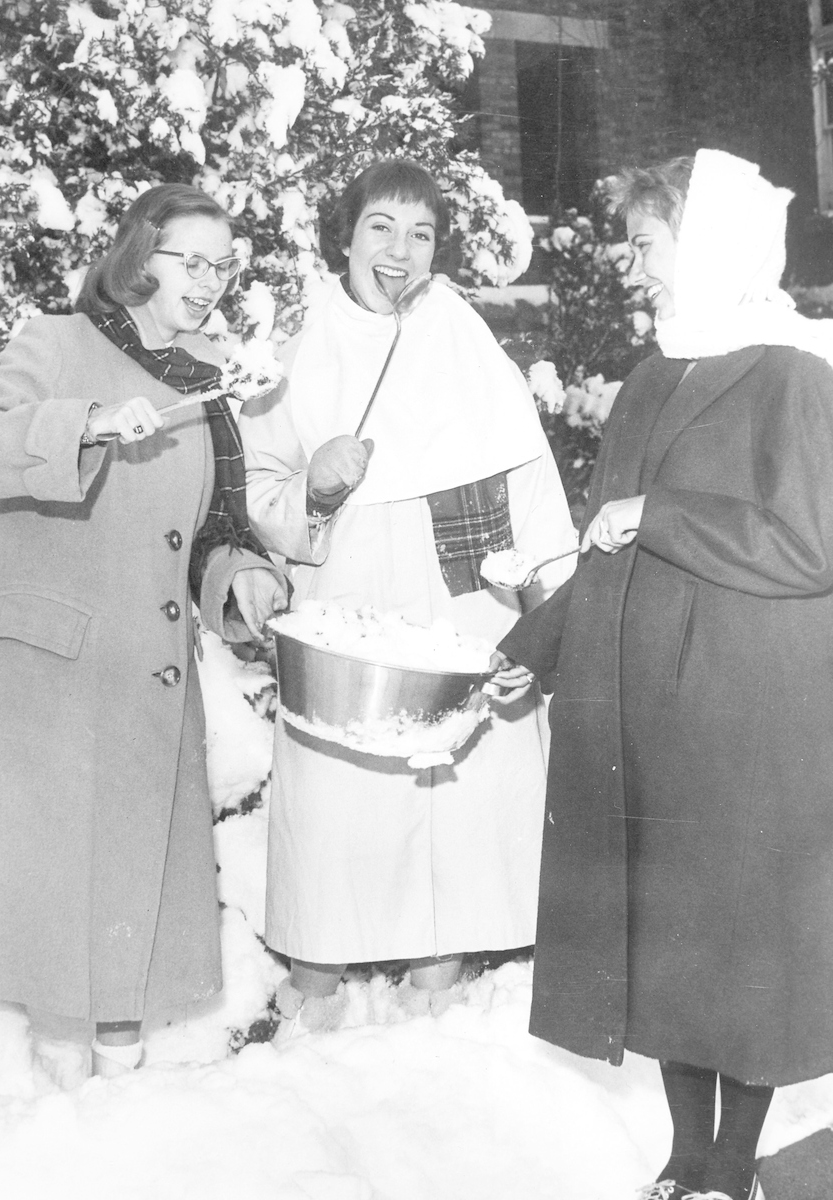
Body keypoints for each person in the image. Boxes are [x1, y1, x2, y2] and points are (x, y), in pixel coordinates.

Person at [494, 150, 833, 1200]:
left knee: (739, 951)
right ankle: (686, 1156)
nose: (629, 264)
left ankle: (731, 1166)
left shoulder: (793, 374)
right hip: (649, 710)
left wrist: (663, 514)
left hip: (747, 712)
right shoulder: (650, 377)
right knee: (672, 946)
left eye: (645, 241)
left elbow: (811, 544)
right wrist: (531, 653)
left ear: (708, 244)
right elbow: (608, 545)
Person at [0, 183, 288, 1080]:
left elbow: (218, 528)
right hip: (40, 689)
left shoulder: (209, 379)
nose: (211, 282)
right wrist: (83, 423)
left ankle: (98, 1141)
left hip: (143, 687)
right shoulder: (57, 341)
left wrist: (240, 576)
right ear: (140, 255)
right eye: (192, 260)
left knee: (110, 946)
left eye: (224, 265)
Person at [239, 159, 577, 1032]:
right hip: (347, 594)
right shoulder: (298, 341)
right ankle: (313, 985)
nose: (400, 250)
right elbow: (255, 494)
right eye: (381, 226)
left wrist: (553, 592)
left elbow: (526, 468)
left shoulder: (460, 330)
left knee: (457, 787)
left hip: (462, 593)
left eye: (421, 233)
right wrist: (314, 485)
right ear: (345, 234)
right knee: (337, 787)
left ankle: (443, 974)